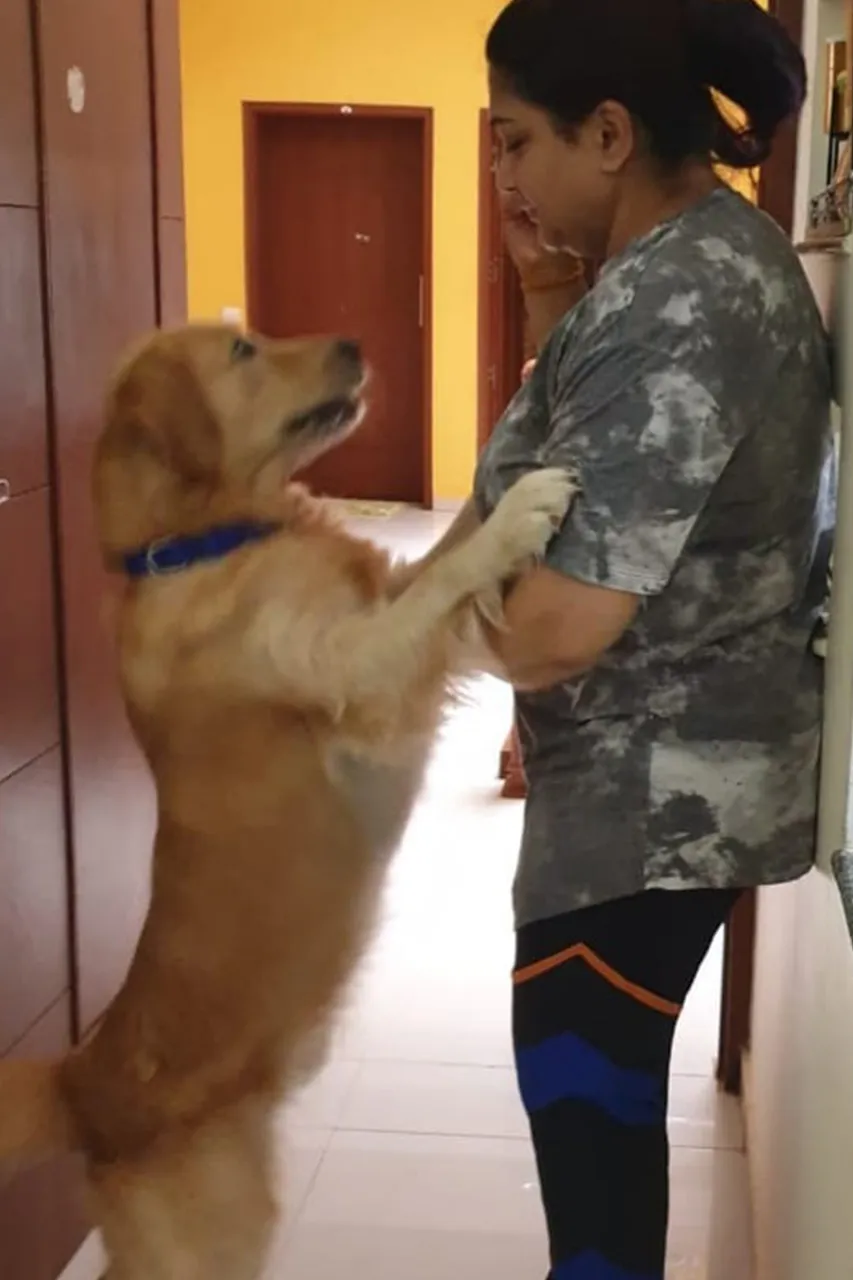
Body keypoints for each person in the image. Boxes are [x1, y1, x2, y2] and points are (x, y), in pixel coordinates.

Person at [434, 0, 836, 1275]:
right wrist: (550, 285)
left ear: (605, 132)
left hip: (648, 812)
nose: (500, 173)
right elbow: (607, 470)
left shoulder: (681, 303)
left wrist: (430, 624)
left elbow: (558, 622)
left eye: (513, 141)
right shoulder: (682, 266)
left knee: (591, 1167)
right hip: (641, 789)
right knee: (591, 1152)